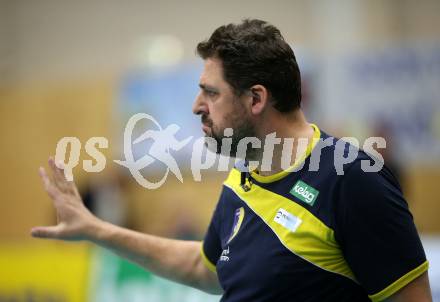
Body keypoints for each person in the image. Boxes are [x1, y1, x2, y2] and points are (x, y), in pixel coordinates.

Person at [31, 19, 432, 301]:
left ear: (256, 98)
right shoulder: (242, 180)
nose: (196, 106)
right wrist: (96, 230)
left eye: (211, 93)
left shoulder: (351, 179)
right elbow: (203, 268)